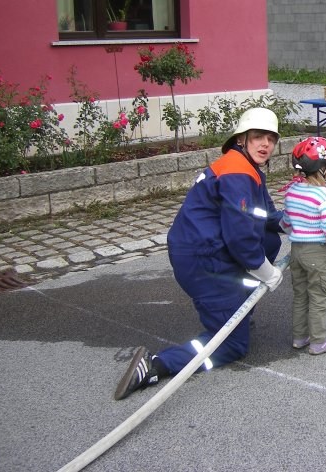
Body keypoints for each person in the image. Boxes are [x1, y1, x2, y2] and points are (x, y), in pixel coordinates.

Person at [114, 107, 286, 400]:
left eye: (271, 139)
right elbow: (240, 237)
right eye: (258, 137)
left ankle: (238, 308)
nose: (265, 144)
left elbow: (265, 215)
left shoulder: (246, 167)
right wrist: (266, 271)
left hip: (208, 250)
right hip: (204, 261)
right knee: (233, 346)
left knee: (269, 240)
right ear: (242, 139)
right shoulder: (237, 173)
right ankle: (157, 365)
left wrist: (294, 221)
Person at [279, 136, 326, 355]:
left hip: (296, 252)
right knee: (319, 295)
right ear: (323, 168)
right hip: (316, 253)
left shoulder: (292, 191)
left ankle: (300, 337)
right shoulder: (323, 194)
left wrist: (302, 227)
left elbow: (286, 224)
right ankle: (319, 342)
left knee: (300, 295)